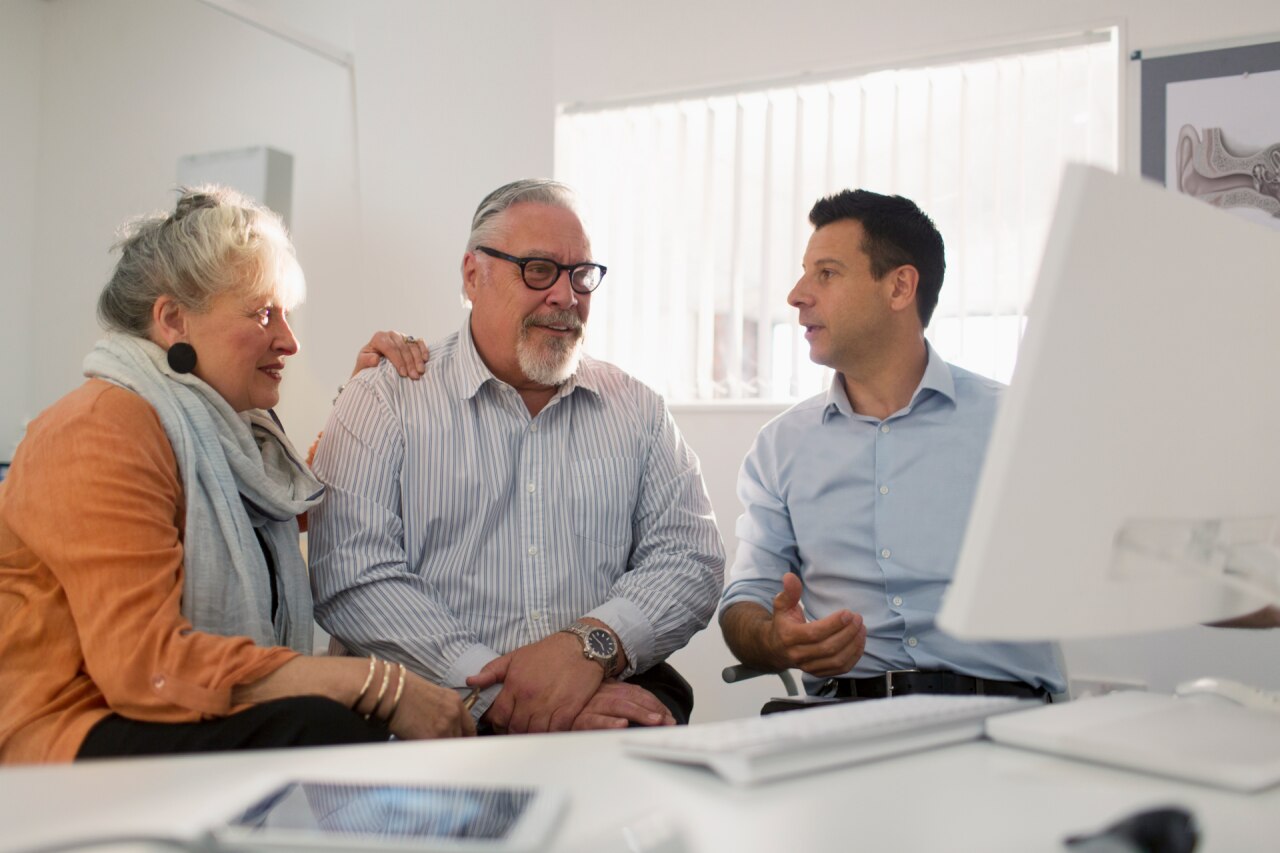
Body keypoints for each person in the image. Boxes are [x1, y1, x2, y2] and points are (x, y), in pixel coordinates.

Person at [0, 187, 473, 765]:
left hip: (141, 717)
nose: (289, 341)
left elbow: (288, 502)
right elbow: (147, 666)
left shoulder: (221, 434)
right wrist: (379, 683)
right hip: (65, 737)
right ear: (173, 319)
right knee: (324, 724)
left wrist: (359, 398)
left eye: (286, 315)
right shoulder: (99, 427)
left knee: (336, 724)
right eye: (262, 313)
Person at [309, 179, 725, 733]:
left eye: (581, 275)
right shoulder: (385, 398)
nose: (565, 296)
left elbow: (689, 558)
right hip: (427, 724)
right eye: (538, 269)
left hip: (599, 707)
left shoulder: (638, 411)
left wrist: (590, 646)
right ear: (472, 276)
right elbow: (351, 574)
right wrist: (497, 691)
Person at [719, 189, 1066, 704]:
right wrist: (775, 639)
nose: (796, 294)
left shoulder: (1019, 425)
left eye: (827, 273)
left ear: (900, 287)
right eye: (804, 272)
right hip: (843, 722)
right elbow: (745, 599)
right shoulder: (781, 447)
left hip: (1004, 716)